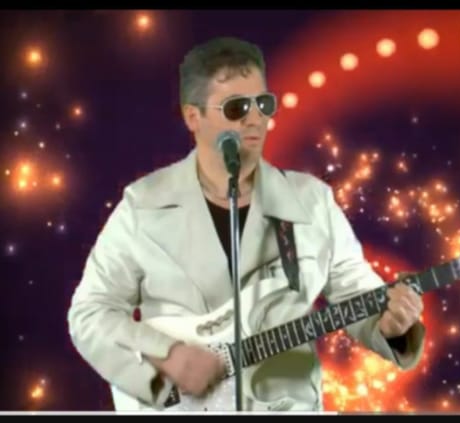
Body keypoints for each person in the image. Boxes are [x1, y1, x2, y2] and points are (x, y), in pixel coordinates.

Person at [67, 36, 426, 412]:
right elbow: (90, 314)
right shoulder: (142, 205)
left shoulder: (313, 202)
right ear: (193, 117)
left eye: (263, 104)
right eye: (236, 107)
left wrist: (392, 327)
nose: (255, 118)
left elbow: (358, 292)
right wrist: (168, 356)